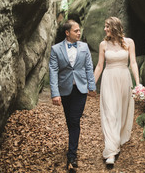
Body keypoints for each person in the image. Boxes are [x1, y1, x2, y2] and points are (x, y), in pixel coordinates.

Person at [49, 20, 96, 170]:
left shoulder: (84, 47)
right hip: (65, 89)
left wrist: (92, 86)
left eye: (79, 30)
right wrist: (55, 93)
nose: (79, 33)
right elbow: (53, 71)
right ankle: (72, 144)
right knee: (70, 120)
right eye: (75, 31)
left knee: (75, 120)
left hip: (81, 89)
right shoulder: (56, 49)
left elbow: (89, 67)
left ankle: (72, 156)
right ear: (67, 33)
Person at [93, 17, 140, 165]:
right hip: (109, 80)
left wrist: (138, 84)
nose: (105, 29)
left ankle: (116, 140)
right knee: (110, 113)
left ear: (115, 27)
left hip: (124, 79)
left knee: (121, 112)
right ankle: (111, 152)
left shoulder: (129, 42)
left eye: (107, 26)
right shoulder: (103, 44)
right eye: (105, 26)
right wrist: (91, 84)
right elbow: (100, 65)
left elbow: (133, 63)